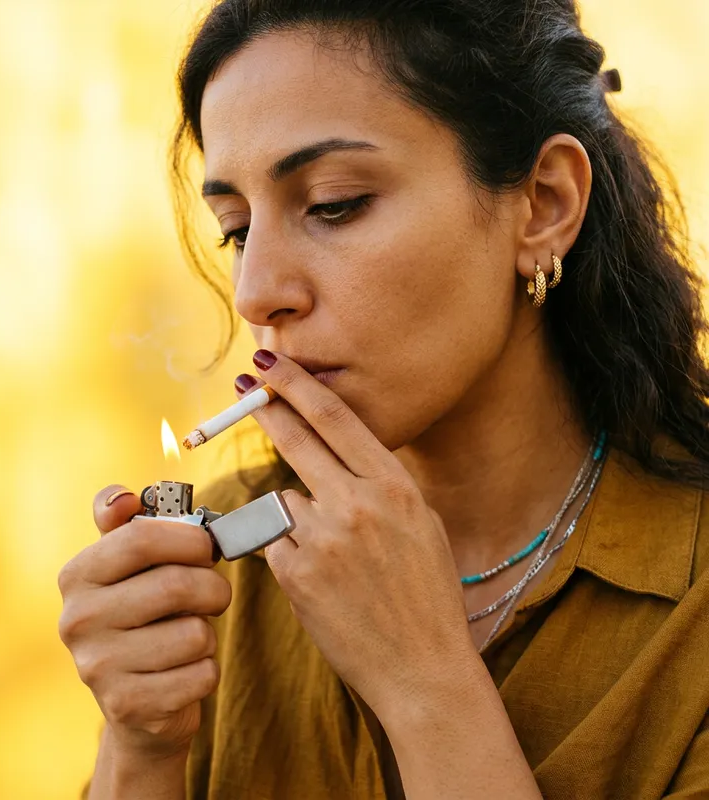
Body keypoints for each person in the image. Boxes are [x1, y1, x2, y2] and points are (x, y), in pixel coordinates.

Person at [58, 1, 709, 797]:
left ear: (543, 204)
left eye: (333, 204)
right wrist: (141, 748)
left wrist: (426, 685)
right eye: (235, 228)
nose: (257, 292)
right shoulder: (226, 572)